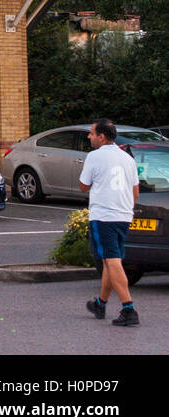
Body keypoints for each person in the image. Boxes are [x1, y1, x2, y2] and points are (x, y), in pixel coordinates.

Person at [80, 119, 140, 326]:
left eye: (91, 133)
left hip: (103, 216)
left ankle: (128, 308)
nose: (89, 137)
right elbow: (135, 192)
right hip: (124, 215)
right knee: (110, 261)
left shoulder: (94, 156)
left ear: (102, 137)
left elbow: (83, 186)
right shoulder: (127, 158)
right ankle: (100, 303)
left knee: (112, 261)